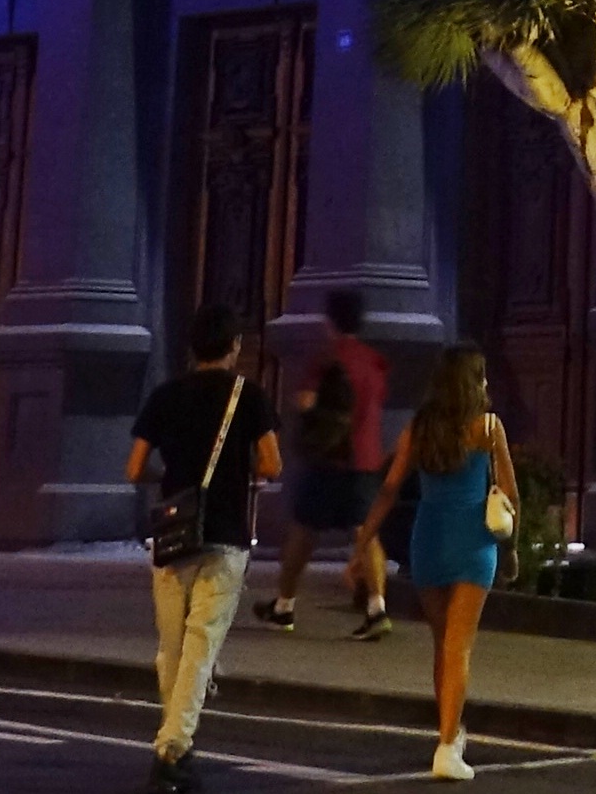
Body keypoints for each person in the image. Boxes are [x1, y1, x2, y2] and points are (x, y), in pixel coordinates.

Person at [123, 302, 281, 794]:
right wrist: (236, 468)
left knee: (172, 646)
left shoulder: (166, 396)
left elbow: (135, 469)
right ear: (234, 348)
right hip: (225, 533)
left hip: (173, 534)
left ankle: (178, 745)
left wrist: (175, 479)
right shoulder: (248, 396)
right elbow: (272, 464)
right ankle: (171, 748)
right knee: (202, 641)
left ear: (192, 349)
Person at [363, 343, 517, 782]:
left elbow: (391, 487)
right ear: (472, 382)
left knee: (442, 644)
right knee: (459, 646)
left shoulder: (419, 428)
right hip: (473, 542)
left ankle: (449, 731)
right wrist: (512, 548)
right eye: (482, 375)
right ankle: (448, 747)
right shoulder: (488, 428)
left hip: (428, 540)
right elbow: (510, 491)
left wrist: (364, 540)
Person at [264, 288, 393, 637]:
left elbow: (306, 401)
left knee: (304, 531)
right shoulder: (374, 360)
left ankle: (284, 605)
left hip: (329, 458)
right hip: (366, 458)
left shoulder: (327, 358)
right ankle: (377, 607)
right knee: (366, 533)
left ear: (329, 320)